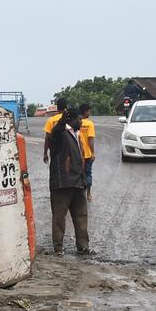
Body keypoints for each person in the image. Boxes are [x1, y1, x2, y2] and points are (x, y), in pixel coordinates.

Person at [49, 107, 91, 254]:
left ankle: (83, 246)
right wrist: (61, 122)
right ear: (71, 120)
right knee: (59, 217)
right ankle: (58, 248)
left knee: (81, 216)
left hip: (78, 181)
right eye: (79, 119)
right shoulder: (60, 133)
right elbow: (55, 134)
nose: (81, 121)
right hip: (63, 183)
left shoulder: (77, 133)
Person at [78, 103, 96, 201]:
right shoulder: (89, 124)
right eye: (89, 111)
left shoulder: (76, 122)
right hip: (87, 154)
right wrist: (93, 152)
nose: (90, 112)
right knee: (88, 174)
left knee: (79, 174)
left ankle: (79, 194)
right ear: (85, 112)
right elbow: (90, 140)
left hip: (77, 154)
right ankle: (88, 194)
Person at [42, 96, 68, 163]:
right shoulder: (69, 119)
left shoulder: (51, 120)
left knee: (55, 170)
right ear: (66, 106)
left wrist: (45, 153)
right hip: (67, 151)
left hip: (54, 151)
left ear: (57, 107)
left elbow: (47, 138)